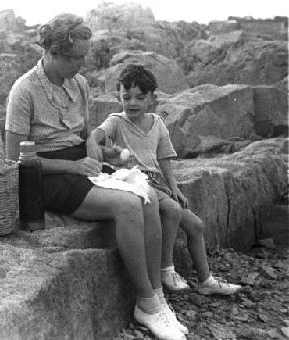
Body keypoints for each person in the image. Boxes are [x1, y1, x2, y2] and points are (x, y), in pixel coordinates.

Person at [5, 14, 187, 340]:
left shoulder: (78, 84)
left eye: (83, 56)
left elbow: (85, 135)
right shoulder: (24, 90)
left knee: (144, 193)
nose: (82, 63)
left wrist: (96, 147)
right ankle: (145, 303)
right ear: (53, 52)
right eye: (75, 57)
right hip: (44, 174)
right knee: (128, 204)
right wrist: (71, 167)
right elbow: (12, 159)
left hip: (80, 164)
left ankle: (157, 298)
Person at [87, 64, 242, 296]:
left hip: (157, 183)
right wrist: (94, 142)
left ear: (152, 98)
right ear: (118, 97)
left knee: (195, 225)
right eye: (126, 97)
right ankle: (165, 268)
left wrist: (174, 188)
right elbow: (98, 134)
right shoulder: (116, 121)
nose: (132, 103)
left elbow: (165, 159)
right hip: (135, 182)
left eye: (140, 97)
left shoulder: (157, 123)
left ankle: (206, 280)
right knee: (172, 210)